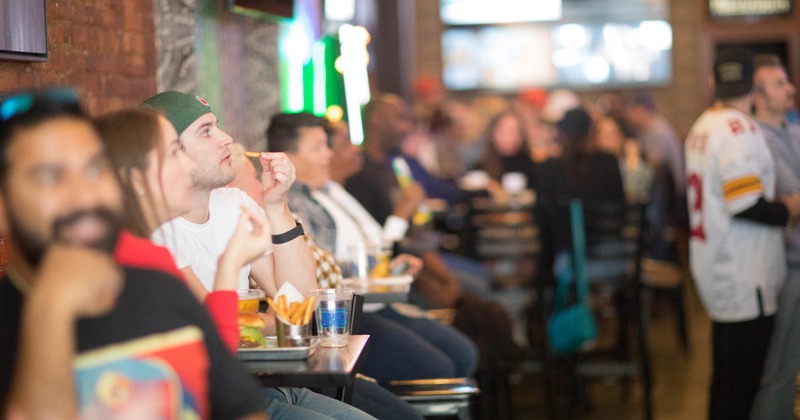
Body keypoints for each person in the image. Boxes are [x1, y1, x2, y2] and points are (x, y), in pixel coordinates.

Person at [0, 89, 267, 419]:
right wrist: (50, 310)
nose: (82, 193)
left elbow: (242, 407)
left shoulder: (160, 287)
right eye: (49, 177)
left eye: (94, 169)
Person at [140, 91, 379, 420]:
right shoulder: (155, 226)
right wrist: (271, 322)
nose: (226, 138)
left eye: (218, 126)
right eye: (206, 131)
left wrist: (276, 207)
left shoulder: (234, 202)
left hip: (265, 384)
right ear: (169, 153)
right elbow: (217, 330)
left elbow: (298, 308)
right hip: (212, 399)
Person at [268, 112, 479, 386]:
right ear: (287, 157)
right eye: (319, 147)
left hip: (375, 303)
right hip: (352, 317)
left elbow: (373, 246)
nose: (329, 154)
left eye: (329, 145)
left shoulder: (330, 189)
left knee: (463, 353)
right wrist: (377, 258)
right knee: (446, 362)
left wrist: (388, 267)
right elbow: (322, 271)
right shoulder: (293, 205)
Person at [684, 49, 800, 420]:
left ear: (711, 83)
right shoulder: (740, 128)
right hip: (746, 273)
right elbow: (748, 204)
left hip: (717, 265)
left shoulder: (702, 124)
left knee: (726, 379)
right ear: (752, 86)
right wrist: (793, 205)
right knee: (740, 385)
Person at [96, 107, 269, 353]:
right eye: (175, 153)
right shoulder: (125, 262)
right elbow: (216, 354)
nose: (189, 165)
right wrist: (231, 263)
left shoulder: (149, 253)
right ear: (136, 179)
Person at [749, 54, 800, 420]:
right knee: (778, 368)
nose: (791, 88)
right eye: (779, 83)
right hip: (788, 264)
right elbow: (791, 194)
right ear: (758, 96)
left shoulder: (793, 128)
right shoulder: (757, 139)